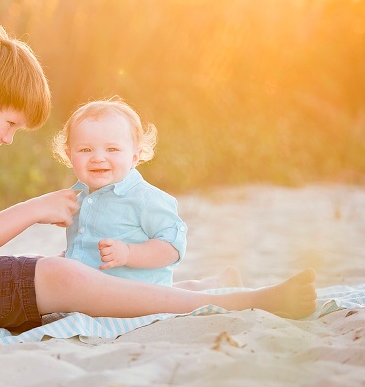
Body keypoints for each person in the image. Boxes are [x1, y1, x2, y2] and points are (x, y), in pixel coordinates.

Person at [0, 24, 317, 333]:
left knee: (58, 280)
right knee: (58, 276)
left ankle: (194, 292)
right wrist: (33, 209)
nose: (7, 138)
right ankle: (236, 302)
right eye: (8, 124)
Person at [53, 97, 242, 290]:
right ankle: (213, 284)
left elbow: (172, 247)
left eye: (112, 149)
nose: (98, 158)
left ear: (134, 157)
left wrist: (128, 253)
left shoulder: (145, 199)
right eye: (85, 149)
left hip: (140, 295)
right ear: (69, 156)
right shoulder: (80, 201)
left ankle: (216, 287)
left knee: (172, 295)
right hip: (93, 295)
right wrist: (69, 257)